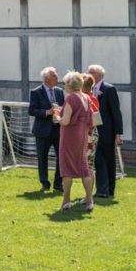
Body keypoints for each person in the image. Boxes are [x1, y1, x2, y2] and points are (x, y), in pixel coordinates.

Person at [57, 72, 95, 212]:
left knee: (66, 169)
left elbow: (65, 121)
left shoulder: (71, 99)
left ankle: (66, 201)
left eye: (64, 83)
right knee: (84, 168)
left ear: (69, 85)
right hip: (82, 135)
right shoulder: (86, 97)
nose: (64, 86)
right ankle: (89, 201)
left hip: (70, 136)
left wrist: (57, 118)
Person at [89, 64, 123, 199]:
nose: (89, 73)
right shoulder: (87, 89)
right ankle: (101, 190)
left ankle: (109, 189)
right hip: (93, 132)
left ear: (99, 75)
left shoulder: (109, 89)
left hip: (107, 132)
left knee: (109, 161)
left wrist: (118, 134)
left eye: (92, 72)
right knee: (98, 160)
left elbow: (116, 113)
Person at [29, 66, 65, 192]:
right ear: (46, 79)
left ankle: (58, 183)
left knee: (61, 157)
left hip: (58, 129)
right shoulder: (36, 92)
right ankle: (45, 183)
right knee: (42, 157)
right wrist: (47, 112)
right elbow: (31, 110)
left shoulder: (60, 91)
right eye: (54, 76)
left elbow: (64, 107)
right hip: (42, 131)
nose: (57, 78)